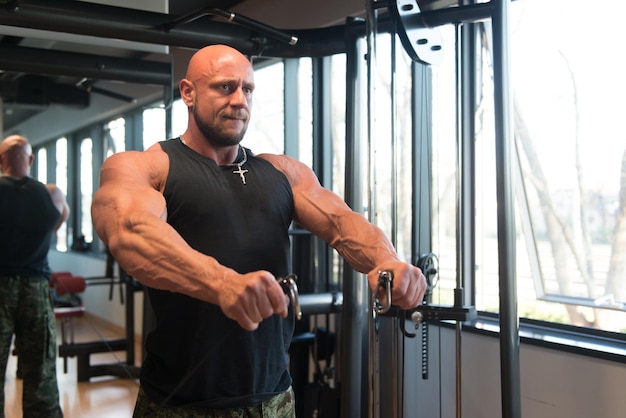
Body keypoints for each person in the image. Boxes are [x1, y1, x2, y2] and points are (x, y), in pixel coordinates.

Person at [91, 44, 427, 417]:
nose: (239, 100)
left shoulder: (281, 172)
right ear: (188, 92)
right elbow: (129, 231)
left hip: (274, 400)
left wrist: (387, 261)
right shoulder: (147, 166)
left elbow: (342, 221)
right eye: (224, 87)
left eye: (247, 89)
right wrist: (223, 284)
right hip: (182, 404)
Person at [0, 134, 69, 418]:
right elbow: (58, 221)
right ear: (30, 160)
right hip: (36, 289)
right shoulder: (51, 194)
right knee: (40, 372)